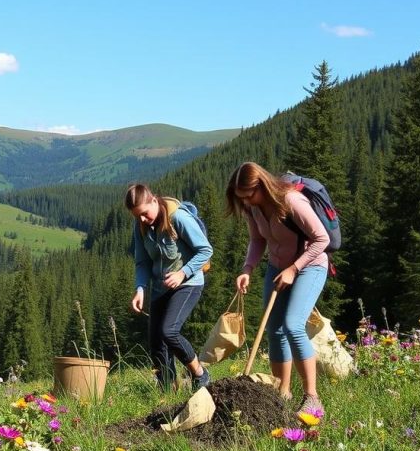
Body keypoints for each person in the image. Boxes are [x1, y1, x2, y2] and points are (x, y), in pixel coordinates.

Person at [226, 162, 329, 415]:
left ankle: (312, 398)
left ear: (262, 185)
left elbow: (322, 239)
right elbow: (257, 239)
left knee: (293, 325)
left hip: (310, 265)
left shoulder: (292, 202)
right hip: (277, 266)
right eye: (242, 198)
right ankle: (281, 394)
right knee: (274, 329)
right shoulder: (253, 208)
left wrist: (294, 269)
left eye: (249, 195)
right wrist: (247, 269)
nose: (247, 201)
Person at [125, 183, 213, 391]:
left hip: (188, 283)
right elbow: (142, 262)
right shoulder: (140, 226)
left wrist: (183, 273)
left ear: (154, 201)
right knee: (156, 341)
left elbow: (205, 250)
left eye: (145, 214)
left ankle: (200, 374)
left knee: (169, 331)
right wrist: (140, 289)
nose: (143, 219)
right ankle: (168, 388)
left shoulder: (179, 219)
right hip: (159, 288)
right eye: (137, 216)